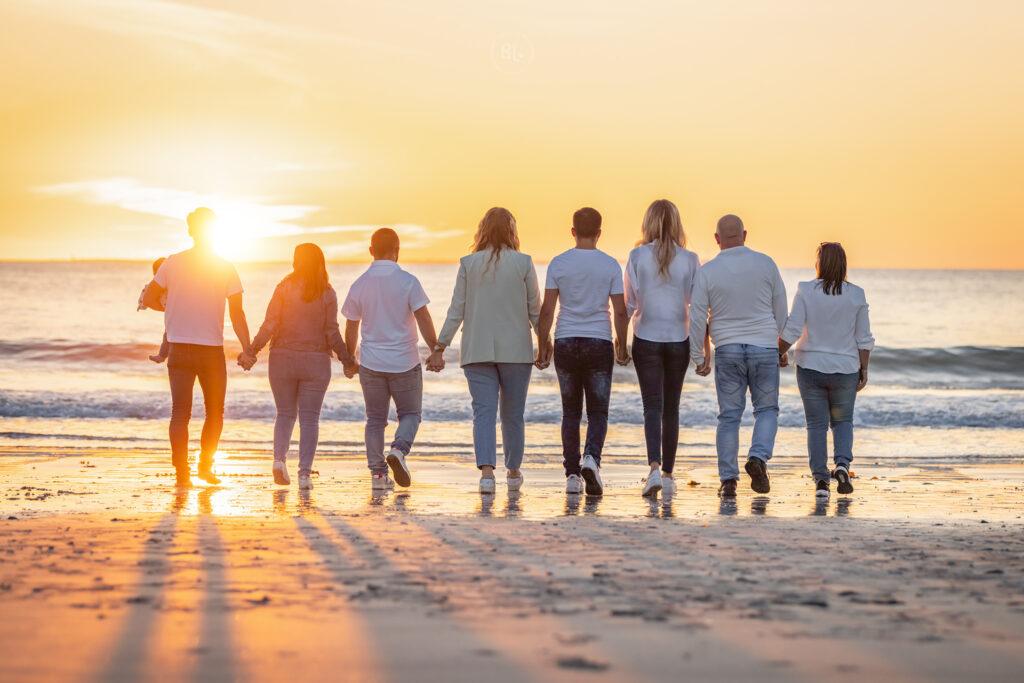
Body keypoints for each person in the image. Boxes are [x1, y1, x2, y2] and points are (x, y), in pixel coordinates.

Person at [430, 207, 542, 494]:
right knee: (513, 415)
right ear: (511, 232)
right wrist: (545, 342)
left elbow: (457, 309)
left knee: (483, 413)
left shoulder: (469, 263)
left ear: (482, 231)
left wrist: (440, 346)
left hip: (477, 350)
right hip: (516, 351)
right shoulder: (524, 262)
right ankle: (514, 472)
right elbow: (535, 311)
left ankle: (488, 476)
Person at [142, 207, 252, 488]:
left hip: (179, 348)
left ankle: (182, 475)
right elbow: (237, 314)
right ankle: (204, 467)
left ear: (190, 230)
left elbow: (150, 297)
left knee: (180, 412)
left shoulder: (172, 263)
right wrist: (247, 348)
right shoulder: (225, 266)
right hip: (210, 351)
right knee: (215, 411)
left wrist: (170, 309)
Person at [240, 243, 355, 490]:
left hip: (282, 359)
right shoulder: (327, 292)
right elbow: (332, 333)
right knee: (310, 419)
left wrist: (252, 350)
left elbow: (269, 324)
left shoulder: (284, 287)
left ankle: (279, 460)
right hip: (315, 362)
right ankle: (304, 474)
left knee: (285, 414)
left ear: (296, 261)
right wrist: (348, 360)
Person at [689, 214, 787, 498]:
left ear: (717, 239)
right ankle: (757, 457)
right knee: (766, 410)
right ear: (745, 234)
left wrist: (699, 356)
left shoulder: (708, 271)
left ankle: (728, 481)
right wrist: (782, 346)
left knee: (729, 417)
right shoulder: (766, 263)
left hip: (728, 349)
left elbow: (697, 316)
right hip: (765, 347)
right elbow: (780, 307)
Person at [536, 207, 630, 497]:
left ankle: (572, 476)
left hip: (566, 339)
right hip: (599, 341)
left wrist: (542, 347)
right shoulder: (610, 265)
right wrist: (622, 347)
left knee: (571, 413)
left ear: (573, 231)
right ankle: (592, 458)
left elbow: (547, 310)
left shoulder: (559, 263)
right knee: (598, 411)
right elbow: (621, 311)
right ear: (599, 232)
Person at [341, 228, 441, 491]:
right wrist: (435, 350)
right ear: (398, 251)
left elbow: (351, 326)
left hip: (371, 364)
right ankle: (398, 449)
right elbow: (424, 318)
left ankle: (377, 476)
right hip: (405, 363)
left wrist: (349, 359)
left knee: (375, 420)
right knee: (410, 414)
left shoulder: (359, 284)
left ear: (371, 250)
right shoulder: (408, 281)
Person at [778, 242, 873, 497]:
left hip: (810, 369)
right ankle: (842, 465)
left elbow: (793, 330)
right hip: (844, 370)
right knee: (842, 421)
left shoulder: (806, 290)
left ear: (819, 264)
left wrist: (778, 351)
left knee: (816, 425)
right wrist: (864, 368)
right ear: (843, 264)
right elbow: (864, 338)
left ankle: (821, 481)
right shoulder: (856, 294)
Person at [624, 199, 702, 498]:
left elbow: (629, 304)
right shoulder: (691, 259)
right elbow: (697, 308)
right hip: (679, 339)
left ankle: (654, 469)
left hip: (646, 338)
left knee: (652, 407)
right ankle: (668, 475)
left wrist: (620, 340)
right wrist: (700, 351)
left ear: (649, 223)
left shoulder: (637, 256)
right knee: (671, 408)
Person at [138, 257, 170, 363]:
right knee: (167, 334)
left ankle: (162, 355)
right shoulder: (154, 286)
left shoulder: (173, 285)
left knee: (168, 334)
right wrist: (141, 305)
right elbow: (144, 293)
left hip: (174, 312)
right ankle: (162, 355)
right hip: (170, 313)